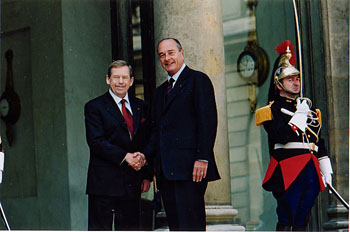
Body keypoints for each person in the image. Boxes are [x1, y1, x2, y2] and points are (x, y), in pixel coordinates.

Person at [255, 40, 333, 231]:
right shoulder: (271, 110)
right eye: (290, 79)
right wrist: (298, 117)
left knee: (303, 216)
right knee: (287, 215)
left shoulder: (308, 108)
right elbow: (280, 135)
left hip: (310, 165)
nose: (295, 82)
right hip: (288, 166)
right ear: (279, 84)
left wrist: (326, 168)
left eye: (297, 79)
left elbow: (317, 140)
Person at [145, 38, 220, 231]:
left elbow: (208, 121)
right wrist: (146, 159)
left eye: (171, 53)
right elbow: (156, 131)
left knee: (191, 225)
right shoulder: (160, 92)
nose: (167, 58)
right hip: (166, 172)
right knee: (176, 227)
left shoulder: (198, 80)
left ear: (182, 53)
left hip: (190, 169)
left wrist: (203, 157)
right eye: (162, 55)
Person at [84, 60, 151, 230]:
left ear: (131, 81)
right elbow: (96, 142)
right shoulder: (94, 107)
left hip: (132, 183)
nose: (120, 82)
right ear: (108, 79)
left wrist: (146, 174)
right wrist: (125, 156)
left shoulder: (141, 107)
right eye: (116, 77)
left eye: (124, 77)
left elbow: (147, 140)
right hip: (104, 184)